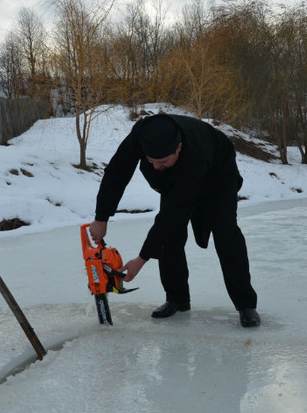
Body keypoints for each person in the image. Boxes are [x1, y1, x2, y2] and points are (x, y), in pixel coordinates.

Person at [89, 113, 260, 327]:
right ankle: (177, 299)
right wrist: (101, 217)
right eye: (151, 161)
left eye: (162, 161)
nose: (156, 167)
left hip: (218, 177)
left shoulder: (196, 156)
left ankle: (246, 304)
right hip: (178, 179)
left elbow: (170, 216)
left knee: (226, 232)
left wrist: (141, 259)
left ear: (178, 147)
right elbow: (117, 172)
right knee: (171, 238)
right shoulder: (142, 134)